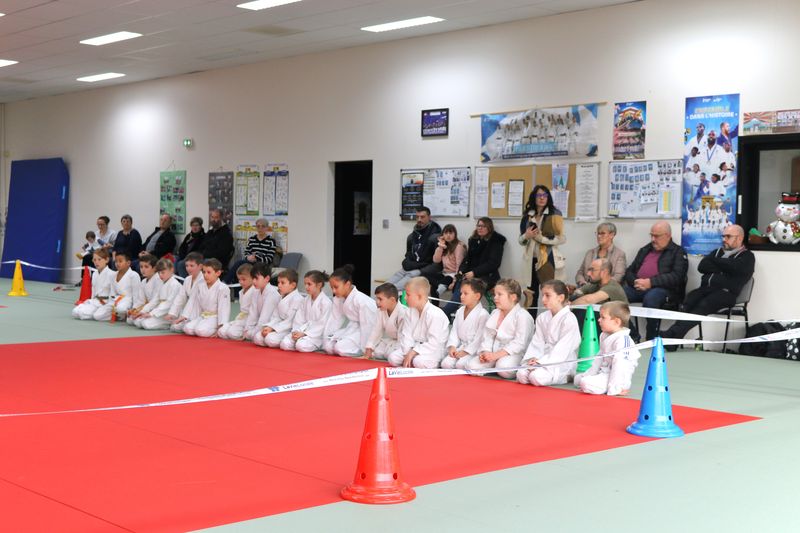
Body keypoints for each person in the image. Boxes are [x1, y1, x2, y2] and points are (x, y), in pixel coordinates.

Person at [659, 225, 754, 350]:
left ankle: (671, 336)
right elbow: (702, 266)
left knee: (704, 305)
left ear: (740, 238)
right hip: (706, 289)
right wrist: (725, 267)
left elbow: (737, 268)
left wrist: (715, 262)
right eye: (723, 236)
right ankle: (673, 340)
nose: (724, 239)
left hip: (726, 293)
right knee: (689, 300)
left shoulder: (747, 256)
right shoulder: (717, 252)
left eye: (728, 236)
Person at [623, 221, 688, 341]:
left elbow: (677, 277)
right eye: (651, 235)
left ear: (668, 235)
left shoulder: (678, 252)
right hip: (639, 287)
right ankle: (632, 334)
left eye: (656, 236)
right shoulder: (645, 249)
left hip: (665, 290)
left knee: (652, 298)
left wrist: (650, 282)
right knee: (616, 294)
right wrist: (636, 281)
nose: (653, 239)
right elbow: (629, 271)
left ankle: (651, 338)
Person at [517, 280, 581, 387]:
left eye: (547, 295)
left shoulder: (569, 319)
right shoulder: (542, 318)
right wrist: (533, 359)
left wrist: (541, 362)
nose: (543, 299)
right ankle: (539, 368)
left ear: (560, 297)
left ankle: (566, 376)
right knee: (521, 375)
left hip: (562, 361)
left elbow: (564, 348)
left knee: (536, 377)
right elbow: (537, 342)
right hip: (542, 356)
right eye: (542, 295)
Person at [468, 278, 534, 379]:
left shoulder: (523, 316)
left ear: (513, 297)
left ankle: (501, 367)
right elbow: (488, 336)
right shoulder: (495, 313)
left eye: (499, 294)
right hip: (493, 352)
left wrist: (497, 355)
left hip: (514, 354)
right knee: (472, 366)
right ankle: (493, 366)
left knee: (503, 368)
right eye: (495, 294)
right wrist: (485, 352)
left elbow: (520, 343)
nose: (495, 298)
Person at [442, 217, 506, 318]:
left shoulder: (496, 241)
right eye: (478, 226)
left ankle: (444, 314)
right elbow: (467, 260)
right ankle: (449, 313)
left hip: (487, 277)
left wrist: (474, 273)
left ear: (489, 227)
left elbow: (493, 263)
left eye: (483, 226)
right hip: (470, 275)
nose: (480, 228)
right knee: (459, 284)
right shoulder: (474, 240)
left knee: (464, 289)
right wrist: (461, 271)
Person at [574, 301, 641, 396]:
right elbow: (599, 358)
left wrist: (615, 388)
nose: (599, 320)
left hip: (619, 378)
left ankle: (616, 387)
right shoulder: (604, 335)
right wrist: (589, 374)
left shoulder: (623, 340)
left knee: (585, 383)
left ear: (617, 322)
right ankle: (593, 382)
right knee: (577, 379)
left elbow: (620, 365)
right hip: (605, 372)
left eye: (603, 317)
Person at [518, 185, 566, 312]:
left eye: (545, 195)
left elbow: (561, 239)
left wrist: (540, 238)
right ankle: (530, 323)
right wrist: (526, 236)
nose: (542, 198)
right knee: (530, 296)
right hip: (530, 261)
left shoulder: (555, 214)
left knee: (551, 295)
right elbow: (521, 241)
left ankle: (553, 322)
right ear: (534, 197)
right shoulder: (528, 215)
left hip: (548, 260)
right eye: (539, 195)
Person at [388, 277, 449, 369]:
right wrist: (407, 353)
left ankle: (432, 363)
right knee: (393, 358)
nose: (405, 298)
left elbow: (434, 342)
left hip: (433, 350)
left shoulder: (435, 314)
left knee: (418, 362)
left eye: (408, 295)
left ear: (419, 296)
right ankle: (411, 361)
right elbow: (407, 335)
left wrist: (413, 353)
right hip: (414, 347)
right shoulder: (409, 312)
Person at [323, 265, 378, 356]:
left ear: (347, 284)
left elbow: (368, 326)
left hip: (365, 330)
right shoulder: (338, 299)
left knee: (339, 348)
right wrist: (327, 337)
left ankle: (360, 349)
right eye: (331, 288)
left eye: (336, 287)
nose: (333, 291)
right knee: (328, 346)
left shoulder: (362, 301)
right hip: (352, 327)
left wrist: (366, 349)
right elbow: (335, 320)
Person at [387, 207, 442, 290]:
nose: (419, 219)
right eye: (417, 217)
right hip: (409, 269)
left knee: (394, 289)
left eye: (422, 217)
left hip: (423, 271)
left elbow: (437, 264)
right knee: (384, 287)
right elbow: (408, 255)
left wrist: (421, 271)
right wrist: (406, 264)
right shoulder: (411, 237)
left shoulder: (435, 237)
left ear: (429, 217)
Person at [440, 278, 490, 370]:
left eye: (465, 293)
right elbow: (454, 331)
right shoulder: (460, 311)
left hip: (473, 351)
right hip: (459, 347)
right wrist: (452, 346)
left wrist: (466, 352)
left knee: (461, 365)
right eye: (461, 293)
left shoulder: (483, 315)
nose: (461, 296)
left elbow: (479, 339)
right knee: (445, 364)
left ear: (477, 296)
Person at [176, 258, 231, 338]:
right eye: (204, 272)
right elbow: (193, 301)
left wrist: (221, 326)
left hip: (215, 318)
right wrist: (184, 316)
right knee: (187, 329)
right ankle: (201, 326)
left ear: (218, 273)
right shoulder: (200, 285)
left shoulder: (223, 288)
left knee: (200, 331)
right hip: (203, 316)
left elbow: (224, 308)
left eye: (209, 272)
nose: (205, 275)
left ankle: (216, 329)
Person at [281, 270, 333, 352]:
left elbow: (321, 325)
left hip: (316, 336)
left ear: (319, 285)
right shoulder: (305, 300)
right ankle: (298, 341)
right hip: (302, 331)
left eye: (309, 284)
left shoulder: (326, 303)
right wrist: (296, 331)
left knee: (301, 345)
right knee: (284, 344)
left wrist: (305, 334)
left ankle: (312, 345)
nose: (306, 287)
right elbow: (299, 319)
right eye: (305, 284)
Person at [259, 269, 305, 348]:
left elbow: (290, 322)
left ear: (293, 285)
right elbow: (276, 316)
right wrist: (269, 326)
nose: (279, 285)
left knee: (270, 339)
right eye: (278, 282)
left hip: (289, 329)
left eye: (282, 283)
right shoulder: (281, 297)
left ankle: (287, 342)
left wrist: (273, 329)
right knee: (258, 337)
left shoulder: (298, 299)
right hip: (279, 327)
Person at [224, 218, 277, 285]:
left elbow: (269, 259)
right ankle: (230, 283)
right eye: (258, 226)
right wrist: (248, 257)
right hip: (250, 262)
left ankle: (225, 282)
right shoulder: (252, 239)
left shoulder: (271, 241)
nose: (260, 228)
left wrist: (256, 258)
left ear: (267, 228)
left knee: (241, 264)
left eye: (263, 226)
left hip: (263, 265)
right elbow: (246, 253)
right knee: (240, 265)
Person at [574, 222, 627, 287]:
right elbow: (580, 272)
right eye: (598, 233)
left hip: (606, 288)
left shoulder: (619, 254)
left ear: (612, 235)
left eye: (602, 233)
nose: (599, 236)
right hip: (586, 286)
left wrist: (599, 287)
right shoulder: (590, 253)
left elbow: (618, 276)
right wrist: (582, 283)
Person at [184, 208, 233, 277]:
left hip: (216, 260)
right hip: (204, 257)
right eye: (212, 217)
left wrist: (204, 255)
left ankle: (198, 281)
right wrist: (198, 255)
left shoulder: (226, 233)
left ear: (221, 218)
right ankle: (189, 281)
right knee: (183, 263)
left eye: (216, 217)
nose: (213, 219)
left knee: (194, 264)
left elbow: (222, 252)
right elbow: (202, 246)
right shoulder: (210, 232)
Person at [364, 283, 407, 361]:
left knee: (391, 355)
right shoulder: (381, 311)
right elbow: (376, 330)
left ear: (392, 300)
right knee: (376, 352)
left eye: (380, 299)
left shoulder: (403, 313)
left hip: (403, 343)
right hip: (392, 341)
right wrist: (370, 347)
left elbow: (404, 338)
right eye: (376, 298)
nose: (377, 302)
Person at [138, 258, 183, 330]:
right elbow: (155, 300)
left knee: (145, 324)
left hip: (171, 314)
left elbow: (168, 304)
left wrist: (151, 314)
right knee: (139, 321)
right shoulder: (161, 283)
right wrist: (143, 311)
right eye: (159, 273)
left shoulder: (175, 285)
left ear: (171, 270)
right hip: (161, 312)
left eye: (163, 272)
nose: (160, 275)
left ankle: (168, 324)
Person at [95, 251, 140, 322]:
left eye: (120, 261)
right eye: (116, 261)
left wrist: (135, 308)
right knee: (97, 315)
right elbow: (112, 293)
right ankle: (119, 315)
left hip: (128, 300)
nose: (117, 264)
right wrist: (109, 303)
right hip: (115, 300)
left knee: (121, 309)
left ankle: (124, 314)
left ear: (128, 263)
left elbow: (136, 295)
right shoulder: (113, 275)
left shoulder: (133, 275)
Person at [72, 249, 115, 319]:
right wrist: (91, 301)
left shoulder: (112, 275)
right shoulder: (95, 274)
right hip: (95, 302)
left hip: (106, 303)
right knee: (75, 312)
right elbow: (93, 291)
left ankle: (114, 314)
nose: (96, 262)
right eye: (94, 260)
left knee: (96, 316)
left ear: (107, 260)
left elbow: (114, 294)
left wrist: (109, 303)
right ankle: (92, 310)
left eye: (99, 259)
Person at [167, 252, 204, 333]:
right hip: (189, 311)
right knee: (174, 327)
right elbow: (180, 297)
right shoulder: (187, 279)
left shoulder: (204, 280)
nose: (188, 268)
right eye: (187, 266)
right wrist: (172, 313)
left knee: (188, 329)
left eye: (191, 266)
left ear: (200, 266)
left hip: (201, 312)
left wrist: (184, 316)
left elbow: (194, 301)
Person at [218, 264, 257, 340]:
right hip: (241, 318)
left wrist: (247, 328)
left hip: (250, 320)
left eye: (244, 279)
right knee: (221, 331)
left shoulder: (255, 291)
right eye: (239, 279)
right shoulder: (241, 292)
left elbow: (254, 313)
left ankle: (247, 333)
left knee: (231, 333)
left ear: (253, 278)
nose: (241, 282)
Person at [426, 224, 466, 298]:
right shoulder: (444, 245)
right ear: (442, 235)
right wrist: (440, 246)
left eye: (450, 233)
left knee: (445, 280)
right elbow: (436, 260)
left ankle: (442, 285)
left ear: (455, 234)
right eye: (446, 233)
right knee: (427, 275)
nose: (448, 235)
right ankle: (442, 285)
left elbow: (459, 266)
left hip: (454, 274)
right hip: (445, 273)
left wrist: (454, 282)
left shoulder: (458, 246)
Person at [248, 262, 282, 343]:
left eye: (256, 278)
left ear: (267, 278)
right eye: (252, 278)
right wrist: (248, 329)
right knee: (248, 333)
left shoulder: (272, 293)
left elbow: (265, 318)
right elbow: (252, 314)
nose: (254, 281)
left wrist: (252, 332)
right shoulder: (255, 291)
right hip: (260, 325)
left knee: (258, 338)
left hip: (271, 325)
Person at [127, 253, 162, 326]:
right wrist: (134, 309)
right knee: (130, 319)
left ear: (154, 268)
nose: (143, 269)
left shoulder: (159, 280)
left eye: (146, 267)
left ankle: (166, 324)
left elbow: (155, 301)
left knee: (142, 323)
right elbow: (140, 300)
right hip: (148, 308)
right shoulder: (143, 282)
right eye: (141, 267)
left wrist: (143, 311)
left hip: (158, 310)